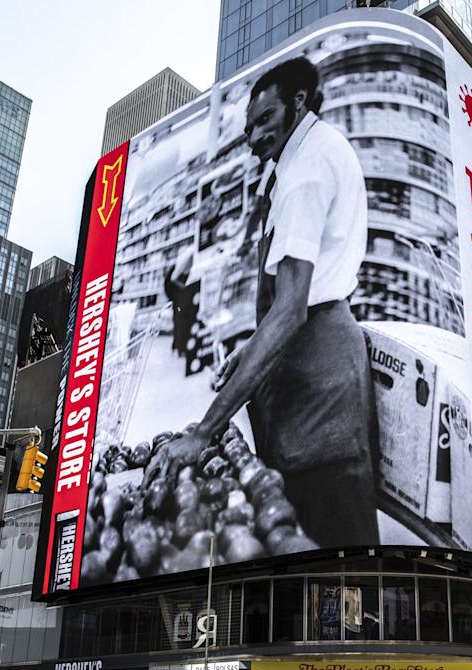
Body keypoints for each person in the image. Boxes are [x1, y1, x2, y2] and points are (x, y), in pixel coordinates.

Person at [146, 55, 378, 549]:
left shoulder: (305, 173)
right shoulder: (301, 159)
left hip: (319, 388)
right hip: (309, 371)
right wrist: (252, 346)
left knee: (338, 557)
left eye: (265, 119)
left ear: (299, 103)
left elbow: (292, 309)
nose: (254, 137)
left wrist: (204, 431)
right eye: (248, 128)